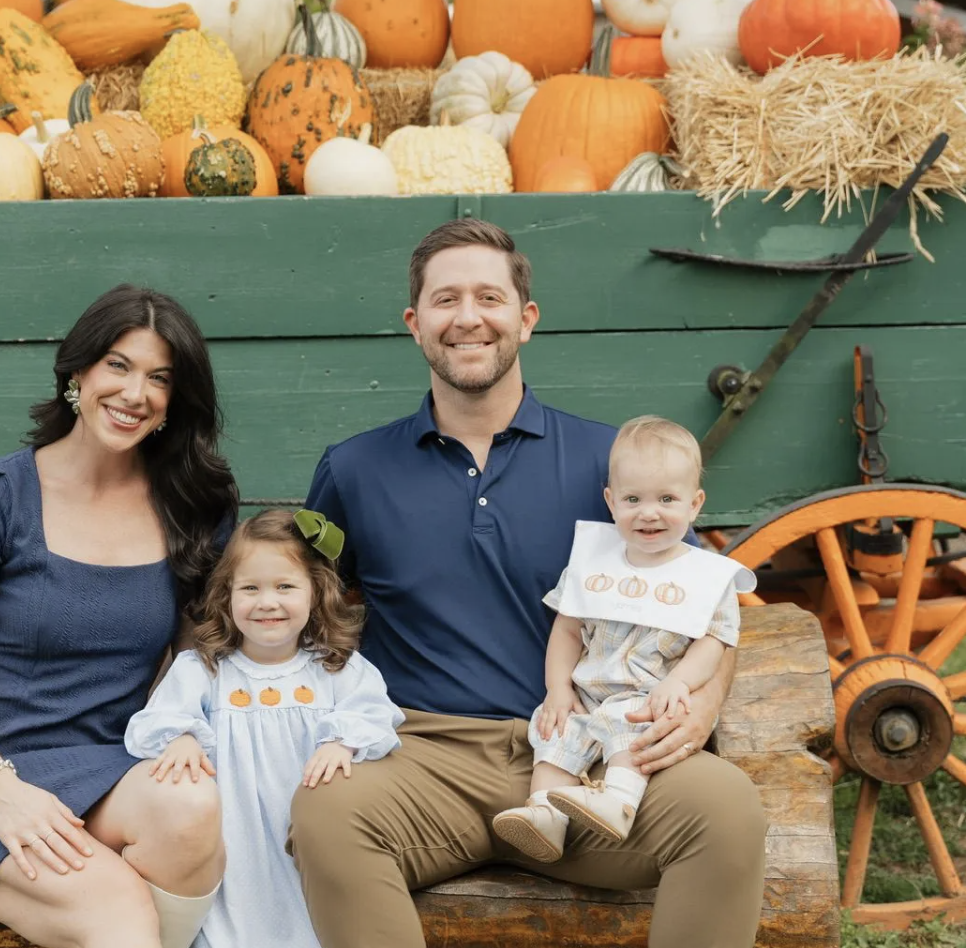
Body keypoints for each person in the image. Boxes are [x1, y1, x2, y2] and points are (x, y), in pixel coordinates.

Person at [291, 219, 768, 948]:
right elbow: (304, 610)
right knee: (327, 816)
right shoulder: (355, 470)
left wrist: (701, 709)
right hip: (424, 760)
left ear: (527, 319)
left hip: (596, 756)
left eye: (490, 296)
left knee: (726, 809)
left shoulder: (612, 463)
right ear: (417, 324)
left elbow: (709, 607)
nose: (469, 317)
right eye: (446, 300)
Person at [0, 284, 239, 948]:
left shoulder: (192, 505)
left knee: (193, 808)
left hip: (111, 766)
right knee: (116, 911)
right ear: (78, 372)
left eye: (159, 377)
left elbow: (199, 652)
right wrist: (2, 792)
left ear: (175, 400)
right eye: (117, 364)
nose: (134, 392)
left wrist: (182, 729)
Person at [124, 508, 404, 948]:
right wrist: (179, 737)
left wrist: (342, 742)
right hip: (236, 835)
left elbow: (377, 715)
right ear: (226, 594)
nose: (267, 602)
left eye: (285, 586)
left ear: (316, 591)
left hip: (302, 829)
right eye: (250, 587)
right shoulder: (204, 669)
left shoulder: (335, 667)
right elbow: (154, 721)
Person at [491, 416, 758, 864]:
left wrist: (680, 684)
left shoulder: (706, 577)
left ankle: (618, 800)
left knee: (636, 728)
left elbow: (713, 641)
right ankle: (545, 815)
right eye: (633, 499)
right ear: (610, 502)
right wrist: (558, 689)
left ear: (695, 505)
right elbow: (568, 630)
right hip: (584, 695)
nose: (648, 512)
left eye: (667, 499)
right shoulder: (594, 564)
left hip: (646, 694)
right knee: (556, 734)